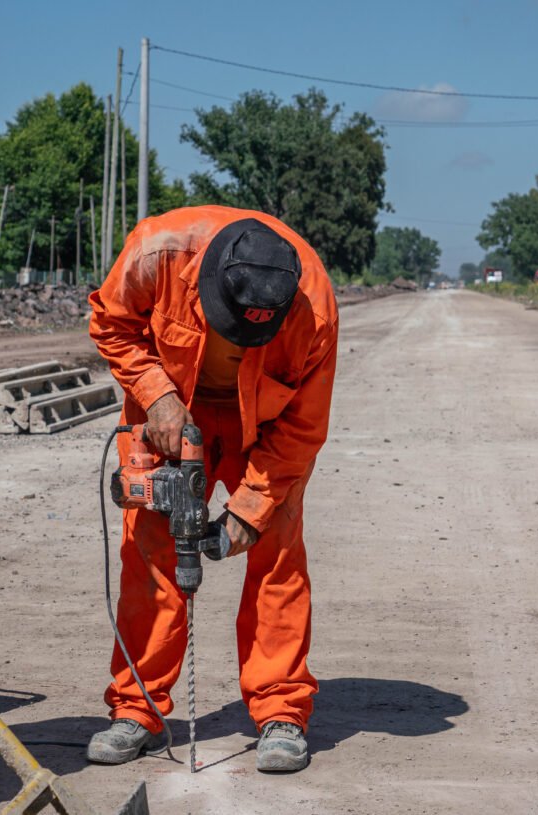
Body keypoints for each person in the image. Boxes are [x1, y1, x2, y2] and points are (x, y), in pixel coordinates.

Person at [86, 205, 339, 772]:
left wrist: (249, 511)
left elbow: (304, 426)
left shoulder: (313, 305)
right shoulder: (158, 251)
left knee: (276, 558)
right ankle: (137, 707)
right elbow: (110, 322)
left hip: (266, 425)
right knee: (152, 558)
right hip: (170, 415)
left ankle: (281, 711)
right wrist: (156, 395)